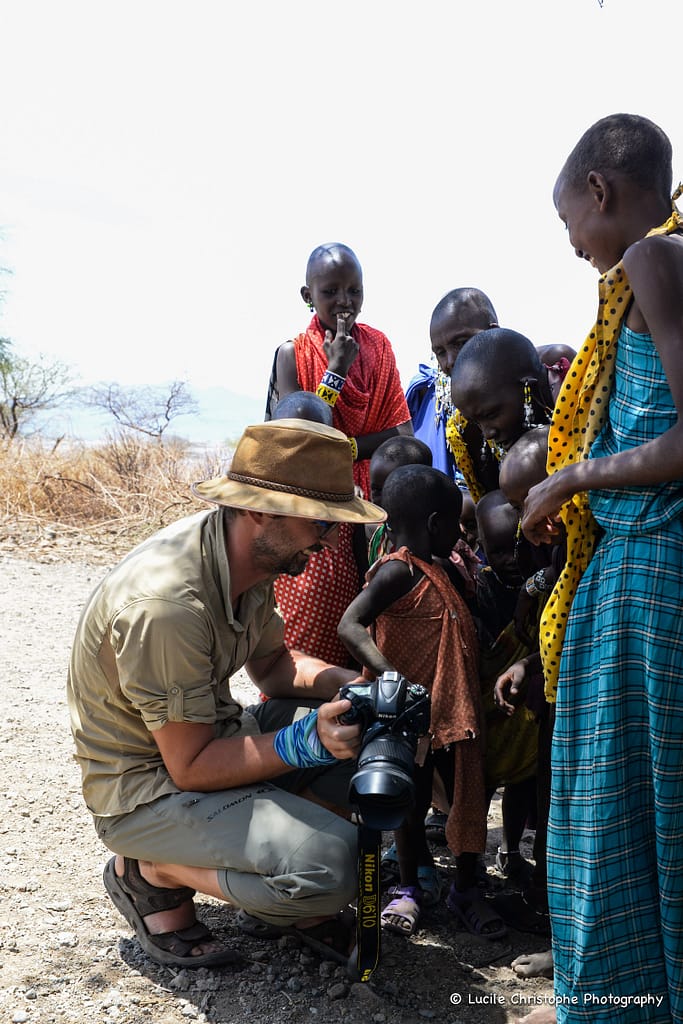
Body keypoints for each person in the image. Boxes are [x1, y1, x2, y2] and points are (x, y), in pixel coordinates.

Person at [67, 419, 386, 972]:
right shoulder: (168, 605)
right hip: (147, 790)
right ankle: (151, 871)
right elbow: (188, 767)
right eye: (321, 522)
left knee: (362, 737)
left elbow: (272, 666)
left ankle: (277, 889)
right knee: (336, 866)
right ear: (260, 509)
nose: (331, 537)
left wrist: (353, 686)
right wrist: (305, 740)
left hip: (210, 742)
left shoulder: (251, 554)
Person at [521, 113, 683, 1023]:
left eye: (569, 223)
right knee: (643, 814)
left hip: (651, 574)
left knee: (616, 822)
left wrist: (571, 478)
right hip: (643, 570)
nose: (576, 246)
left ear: (599, 191)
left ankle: (626, 1002)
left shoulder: (655, 262)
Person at [338, 465, 506, 941]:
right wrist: (389, 674)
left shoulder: (445, 567)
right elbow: (351, 624)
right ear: (435, 523)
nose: (459, 533)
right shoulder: (397, 570)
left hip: (452, 711)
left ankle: (467, 890)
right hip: (407, 715)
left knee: (466, 796)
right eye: (455, 524)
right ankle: (409, 888)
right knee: (407, 805)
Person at [264, 241, 413, 500]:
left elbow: (403, 432)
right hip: (314, 494)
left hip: (374, 495)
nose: (345, 301)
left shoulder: (379, 347)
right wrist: (336, 370)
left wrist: (348, 448)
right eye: (331, 291)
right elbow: (298, 440)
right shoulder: (292, 355)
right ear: (307, 296)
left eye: (354, 291)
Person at [473, 490, 540, 893]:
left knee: (523, 782)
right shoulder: (479, 589)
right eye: (496, 552)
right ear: (481, 548)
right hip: (488, 705)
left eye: (514, 549)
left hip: (524, 706)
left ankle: (511, 849)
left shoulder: (540, 581)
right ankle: (473, 857)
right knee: (478, 786)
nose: (509, 561)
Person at [269, 392, 364, 666]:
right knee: (293, 671)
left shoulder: (346, 493)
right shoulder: (271, 499)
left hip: (341, 611)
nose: (302, 450)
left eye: (313, 441)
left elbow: (359, 558)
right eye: (292, 441)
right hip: (294, 617)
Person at [448, 328, 573, 501]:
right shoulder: (464, 427)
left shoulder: (578, 398)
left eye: (491, 415)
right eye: (477, 422)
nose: (487, 434)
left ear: (528, 387)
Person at [404, 288, 499, 483]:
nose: (450, 361)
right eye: (440, 352)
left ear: (493, 333)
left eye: (461, 343)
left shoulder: (533, 377)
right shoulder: (447, 410)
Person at [366, 434, 433, 564]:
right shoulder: (380, 536)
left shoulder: (430, 540)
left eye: (394, 491)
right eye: (377, 490)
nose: (386, 499)